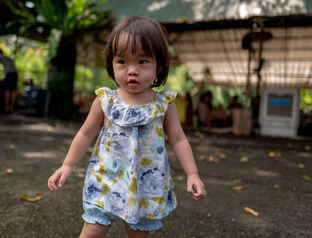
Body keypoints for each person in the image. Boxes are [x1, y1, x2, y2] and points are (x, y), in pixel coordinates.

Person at [48, 16, 206, 238]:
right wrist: (66, 165)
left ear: (158, 65)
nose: (132, 70)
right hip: (106, 179)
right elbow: (85, 134)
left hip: (146, 184)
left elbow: (179, 140)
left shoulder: (164, 105)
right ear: (111, 64)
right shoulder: (105, 101)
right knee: (93, 228)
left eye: (142, 61)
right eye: (122, 62)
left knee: (138, 232)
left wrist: (192, 174)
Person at [0, 49, 18, 113]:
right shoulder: (8, 57)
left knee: (7, 90)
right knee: (13, 90)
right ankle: (12, 107)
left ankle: (6, 107)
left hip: (9, 74)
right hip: (15, 73)